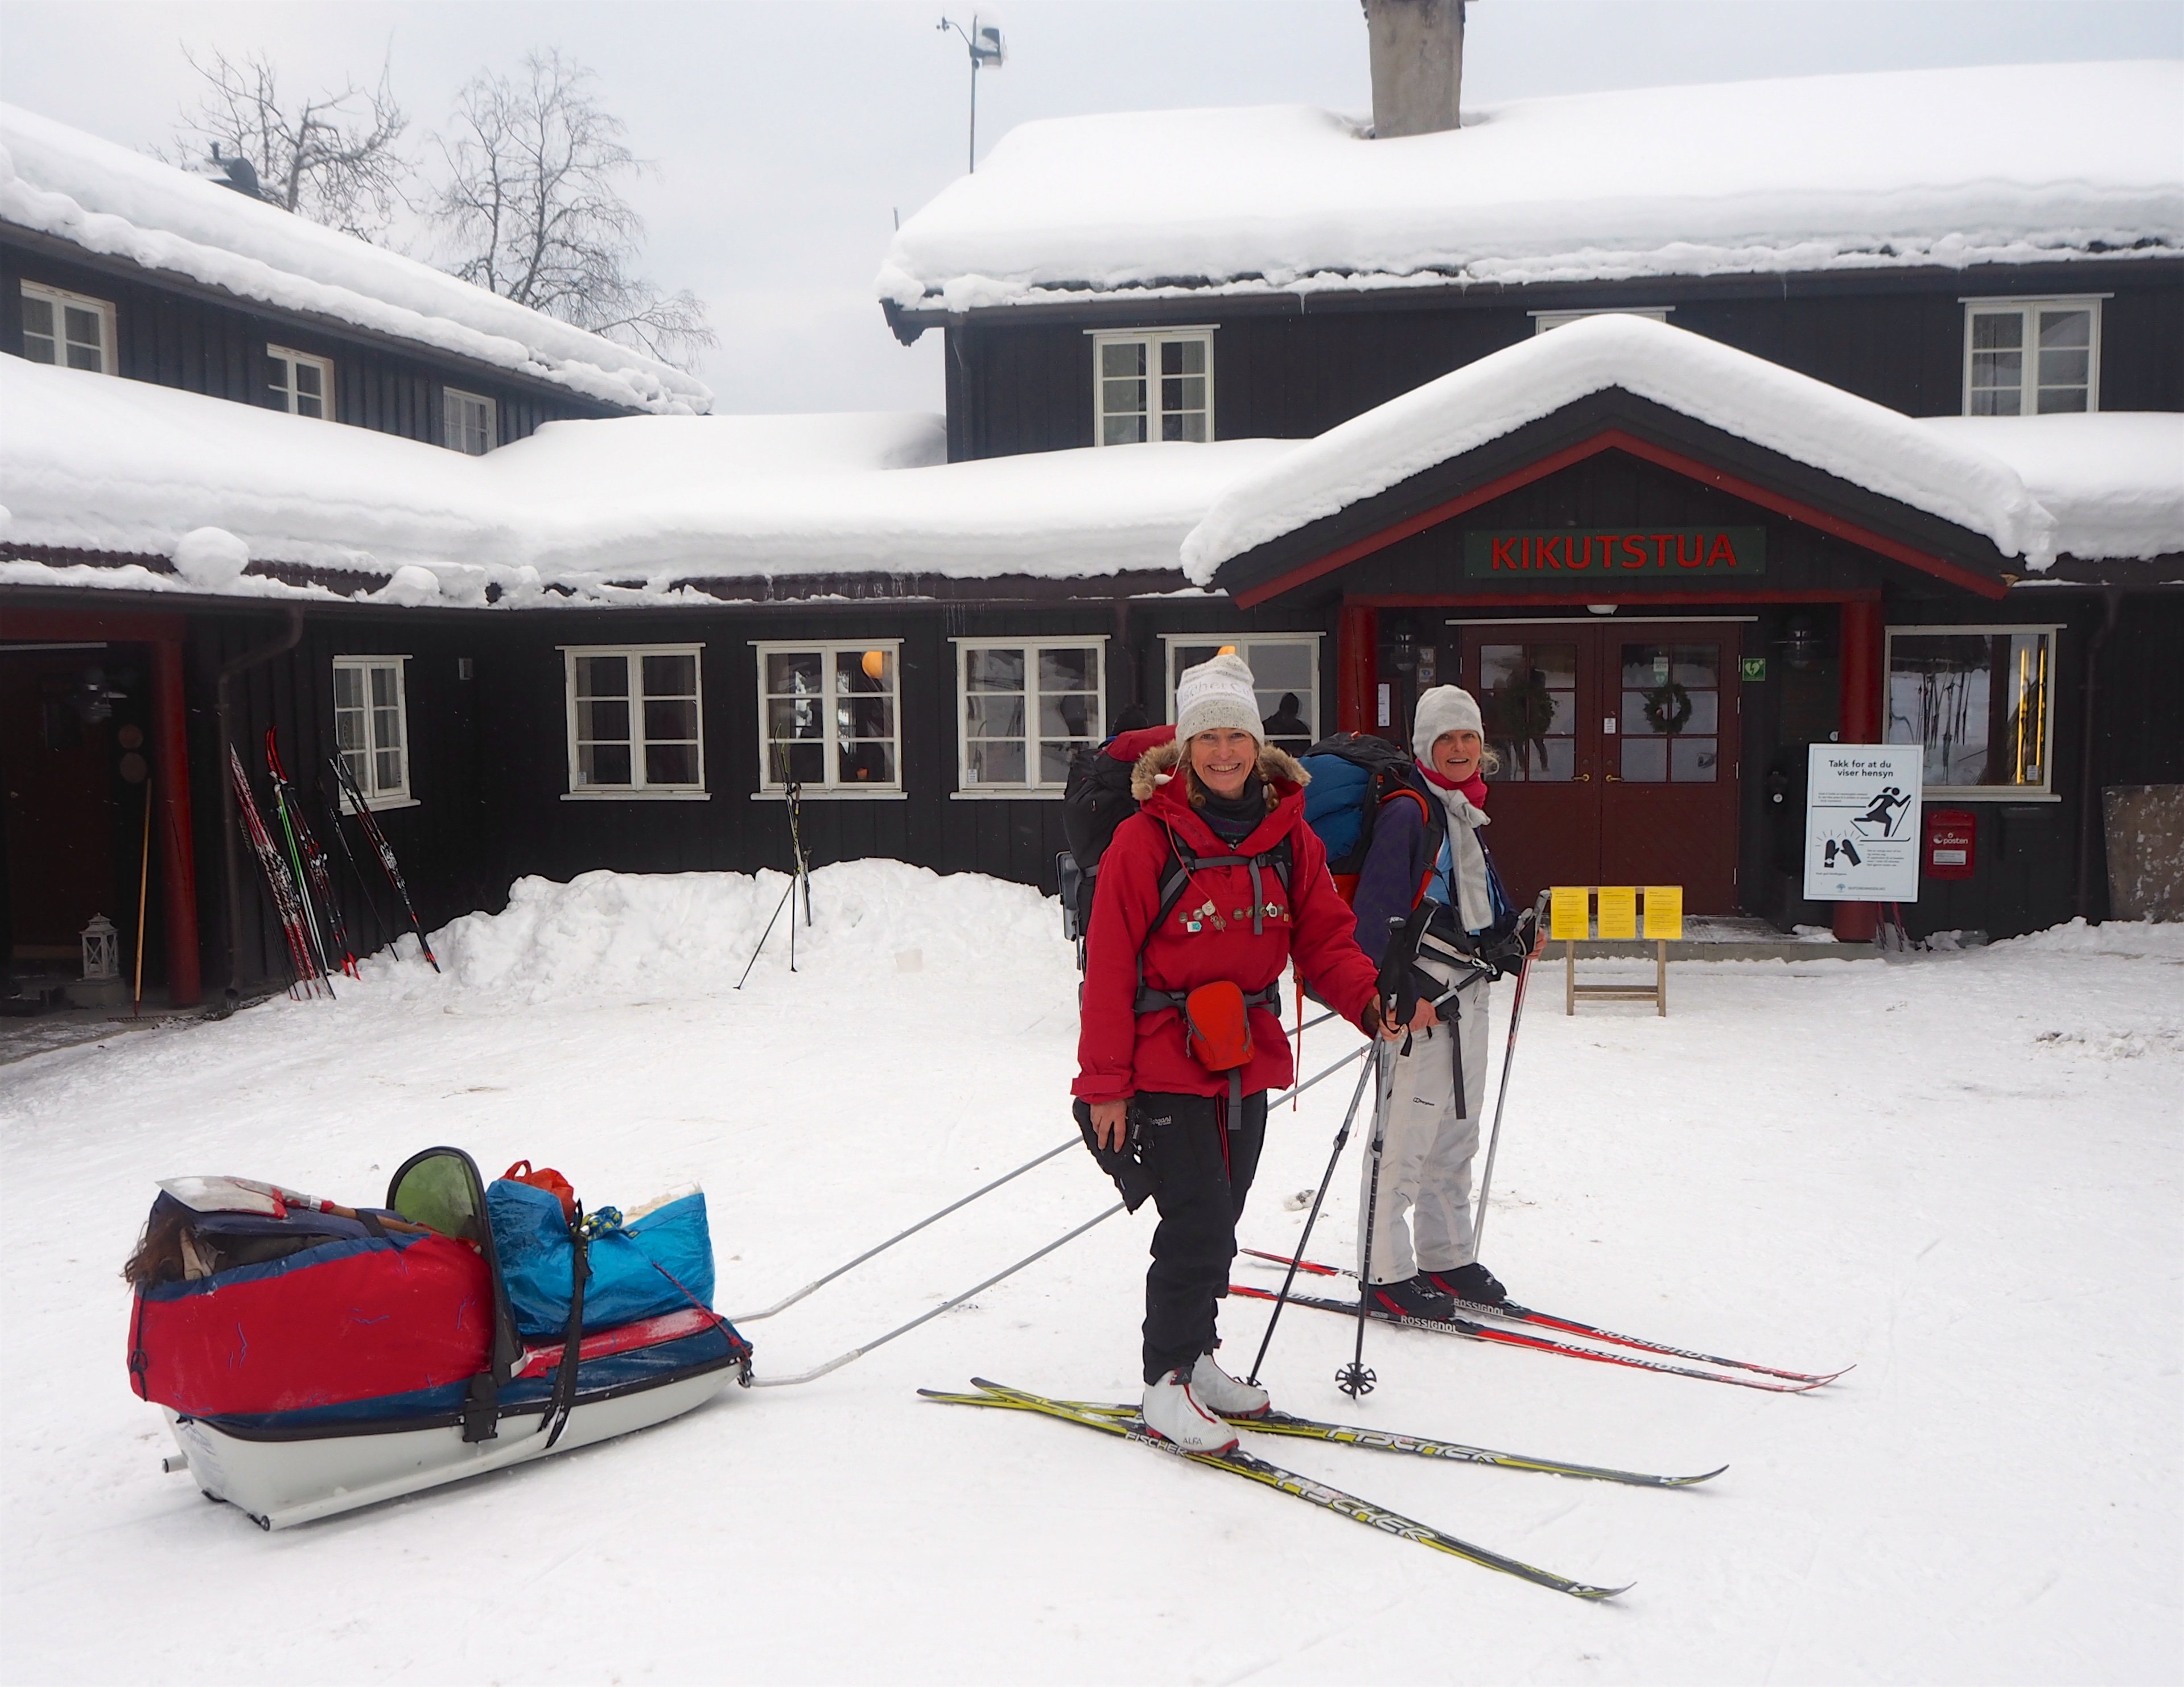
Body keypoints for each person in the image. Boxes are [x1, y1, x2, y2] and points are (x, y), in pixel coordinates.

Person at [1074, 653, 1401, 1453]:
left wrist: (1366, 998)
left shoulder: (1288, 838)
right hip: (1161, 1056)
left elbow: (1324, 937)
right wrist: (1103, 1087)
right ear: (1182, 751)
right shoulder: (1140, 842)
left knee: (1224, 1218)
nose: (1223, 752)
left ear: (1259, 745)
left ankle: (1198, 1357)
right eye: (1207, 738)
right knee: (1196, 1220)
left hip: (1241, 1055)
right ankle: (1165, 1384)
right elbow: (1109, 971)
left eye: (1236, 736)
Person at [1349, 685, 1539, 1320]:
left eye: (1468, 738)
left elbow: (1475, 903)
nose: (1459, 749)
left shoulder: (1464, 812)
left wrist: (1513, 936)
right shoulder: (1410, 812)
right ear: (1423, 746)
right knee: (1404, 1134)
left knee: (1457, 1131)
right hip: (1422, 999)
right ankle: (1384, 1270)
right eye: (1445, 739)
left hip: (1469, 991)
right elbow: (1374, 913)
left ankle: (1446, 1254)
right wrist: (1395, 991)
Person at [1260, 692, 1312, 756]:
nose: (1290, 718)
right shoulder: (1267, 727)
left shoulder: (1302, 729)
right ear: (1281, 711)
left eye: (1293, 715)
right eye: (1287, 714)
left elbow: (1308, 752)